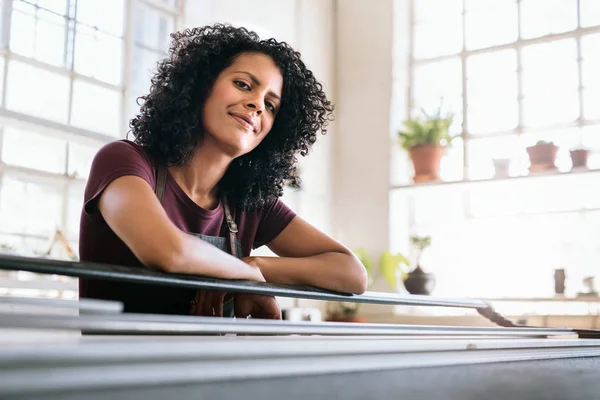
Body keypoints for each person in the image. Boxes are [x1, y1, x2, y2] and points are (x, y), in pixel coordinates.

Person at [78, 24, 367, 320]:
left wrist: (259, 267)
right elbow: (167, 251)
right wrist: (246, 276)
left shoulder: (249, 202)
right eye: (243, 84)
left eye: (270, 105)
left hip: (213, 366)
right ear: (201, 85)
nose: (257, 104)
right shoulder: (124, 161)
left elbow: (351, 273)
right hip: (117, 365)